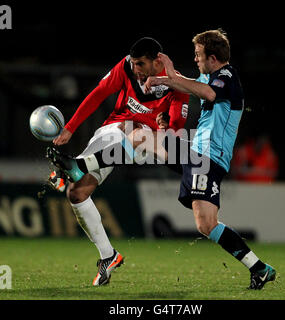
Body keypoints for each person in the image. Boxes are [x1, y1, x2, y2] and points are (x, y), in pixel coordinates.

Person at [48, 30, 276, 290]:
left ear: (213, 57)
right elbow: (191, 87)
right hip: (195, 152)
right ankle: (260, 269)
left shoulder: (226, 76)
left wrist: (166, 79)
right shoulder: (209, 76)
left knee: (203, 220)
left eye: (199, 55)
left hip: (208, 156)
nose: (196, 59)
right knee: (206, 223)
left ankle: (79, 165)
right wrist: (168, 81)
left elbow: (208, 94)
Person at [47, 37, 189, 286]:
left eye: (140, 64)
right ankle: (108, 255)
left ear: (157, 61)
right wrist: (69, 128)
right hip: (113, 131)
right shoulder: (125, 67)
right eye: (133, 63)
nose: (135, 69)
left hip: (145, 140)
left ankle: (75, 167)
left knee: (136, 133)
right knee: (77, 193)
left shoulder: (176, 84)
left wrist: (167, 126)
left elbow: (176, 128)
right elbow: (98, 94)